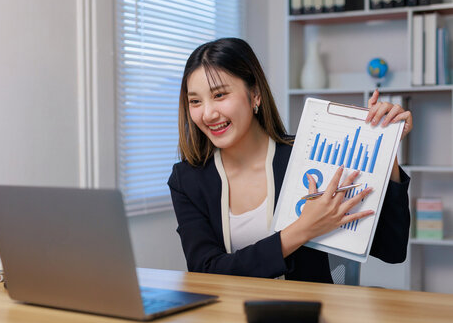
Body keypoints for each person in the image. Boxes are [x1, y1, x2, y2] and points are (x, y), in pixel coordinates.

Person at [167, 38, 412, 283]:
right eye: (195, 101)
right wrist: (303, 229)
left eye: (219, 95)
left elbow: (392, 250)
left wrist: (386, 145)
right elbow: (206, 272)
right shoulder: (187, 179)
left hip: (307, 314)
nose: (208, 114)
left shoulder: (309, 155)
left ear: (255, 95)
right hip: (228, 317)